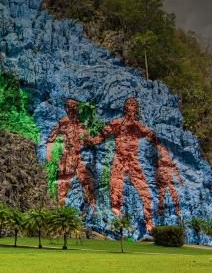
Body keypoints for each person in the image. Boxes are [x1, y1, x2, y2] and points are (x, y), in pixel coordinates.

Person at [88, 97, 156, 229]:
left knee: (144, 189)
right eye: (128, 105)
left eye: (133, 105)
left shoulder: (138, 126)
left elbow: (151, 136)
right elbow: (102, 134)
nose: (130, 107)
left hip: (132, 160)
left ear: (135, 109)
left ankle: (149, 222)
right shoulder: (118, 123)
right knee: (115, 184)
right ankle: (115, 211)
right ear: (125, 108)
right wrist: (91, 141)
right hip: (119, 158)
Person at [45, 98, 96, 206]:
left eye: (75, 106)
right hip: (66, 155)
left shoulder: (78, 123)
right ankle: (60, 206)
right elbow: (51, 137)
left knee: (85, 179)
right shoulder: (63, 121)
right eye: (71, 106)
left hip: (78, 155)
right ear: (66, 108)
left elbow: (87, 138)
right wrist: (48, 153)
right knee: (63, 180)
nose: (73, 109)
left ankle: (92, 206)